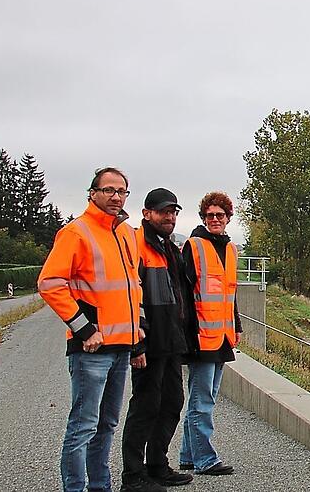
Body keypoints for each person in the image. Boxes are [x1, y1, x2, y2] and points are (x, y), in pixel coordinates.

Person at [38, 167, 144, 492]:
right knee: (84, 426)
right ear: (93, 193)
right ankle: (75, 488)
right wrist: (84, 330)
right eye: (108, 190)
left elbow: (133, 288)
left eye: (121, 191)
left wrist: (138, 341)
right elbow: (50, 283)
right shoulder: (76, 232)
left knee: (107, 425)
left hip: (122, 348)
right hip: (92, 349)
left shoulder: (127, 234)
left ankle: (101, 485)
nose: (116, 196)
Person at [120, 189, 193, 492]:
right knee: (145, 406)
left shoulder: (168, 247)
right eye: (164, 212)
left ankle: (157, 466)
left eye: (174, 212)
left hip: (171, 341)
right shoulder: (137, 244)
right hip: (149, 342)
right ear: (147, 213)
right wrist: (137, 343)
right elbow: (130, 296)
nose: (170, 217)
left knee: (172, 402)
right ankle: (133, 476)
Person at [179, 191, 242, 476]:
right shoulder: (193, 246)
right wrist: (187, 333)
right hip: (201, 336)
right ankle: (205, 459)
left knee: (207, 398)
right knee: (201, 400)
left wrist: (237, 326)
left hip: (223, 336)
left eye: (220, 215)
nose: (215, 219)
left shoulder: (230, 249)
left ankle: (188, 456)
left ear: (228, 218)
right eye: (210, 215)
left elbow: (231, 293)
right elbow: (184, 293)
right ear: (204, 217)